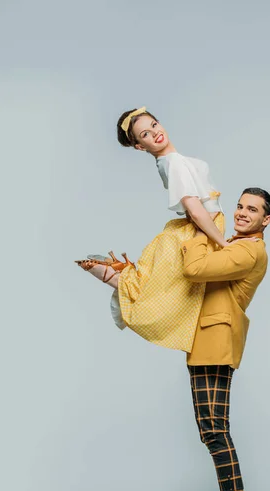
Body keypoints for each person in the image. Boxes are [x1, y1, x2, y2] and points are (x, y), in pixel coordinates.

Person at [75, 106, 229, 352]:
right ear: (139, 146)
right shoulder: (174, 162)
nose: (154, 133)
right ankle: (116, 277)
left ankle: (116, 275)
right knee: (175, 295)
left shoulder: (167, 161)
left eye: (154, 125)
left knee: (173, 290)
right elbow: (196, 210)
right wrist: (224, 244)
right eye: (145, 134)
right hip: (201, 229)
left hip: (201, 228)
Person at [181, 186, 270, 491]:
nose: (241, 212)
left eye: (252, 209)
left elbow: (195, 269)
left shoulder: (247, 250)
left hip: (215, 345)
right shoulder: (236, 243)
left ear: (266, 220)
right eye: (239, 205)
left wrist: (200, 230)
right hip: (209, 342)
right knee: (214, 430)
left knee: (215, 432)